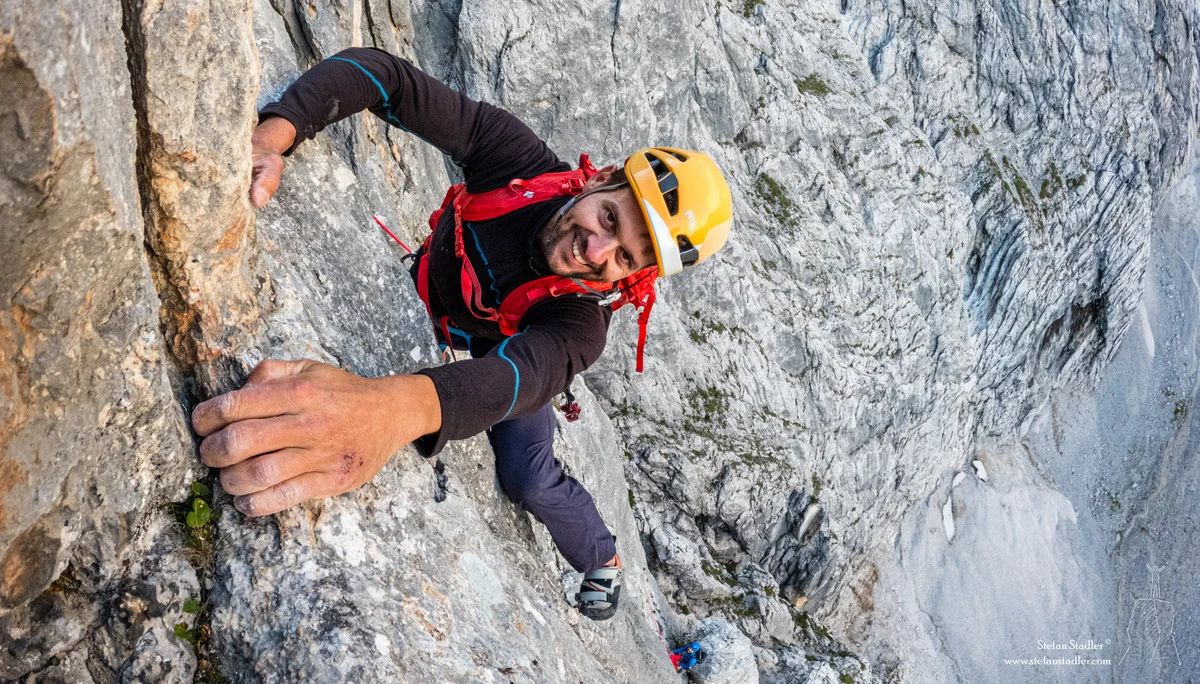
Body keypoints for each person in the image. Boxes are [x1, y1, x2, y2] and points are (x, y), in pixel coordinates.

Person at [189, 47, 733, 620]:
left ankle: (602, 556)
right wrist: (276, 134)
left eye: (623, 257)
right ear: (600, 180)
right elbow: (388, 79)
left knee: (527, 475)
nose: (594, 251)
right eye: (609, 218)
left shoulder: (580, 325)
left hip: (505, 347)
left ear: (636, 276)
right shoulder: (517, 162)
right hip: (436, 297)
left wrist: (387, 413)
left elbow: (515, 380)